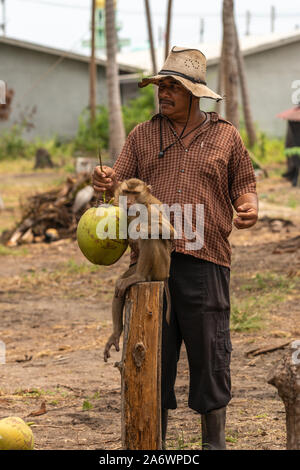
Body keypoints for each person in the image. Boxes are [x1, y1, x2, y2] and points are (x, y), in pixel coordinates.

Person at [92, 46, 258, 450]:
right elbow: (118, 187)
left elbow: (245, 186)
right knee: (150, 359)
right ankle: (152, 447)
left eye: (173, 88)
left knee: (210, 358)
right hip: (150, 266)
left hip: (206, 262)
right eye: (160, 86)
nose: (163, 93)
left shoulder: (226, 137)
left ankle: (213, 446)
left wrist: (249, 207)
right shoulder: (143, 135)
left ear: (195, 93)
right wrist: (104, 182)